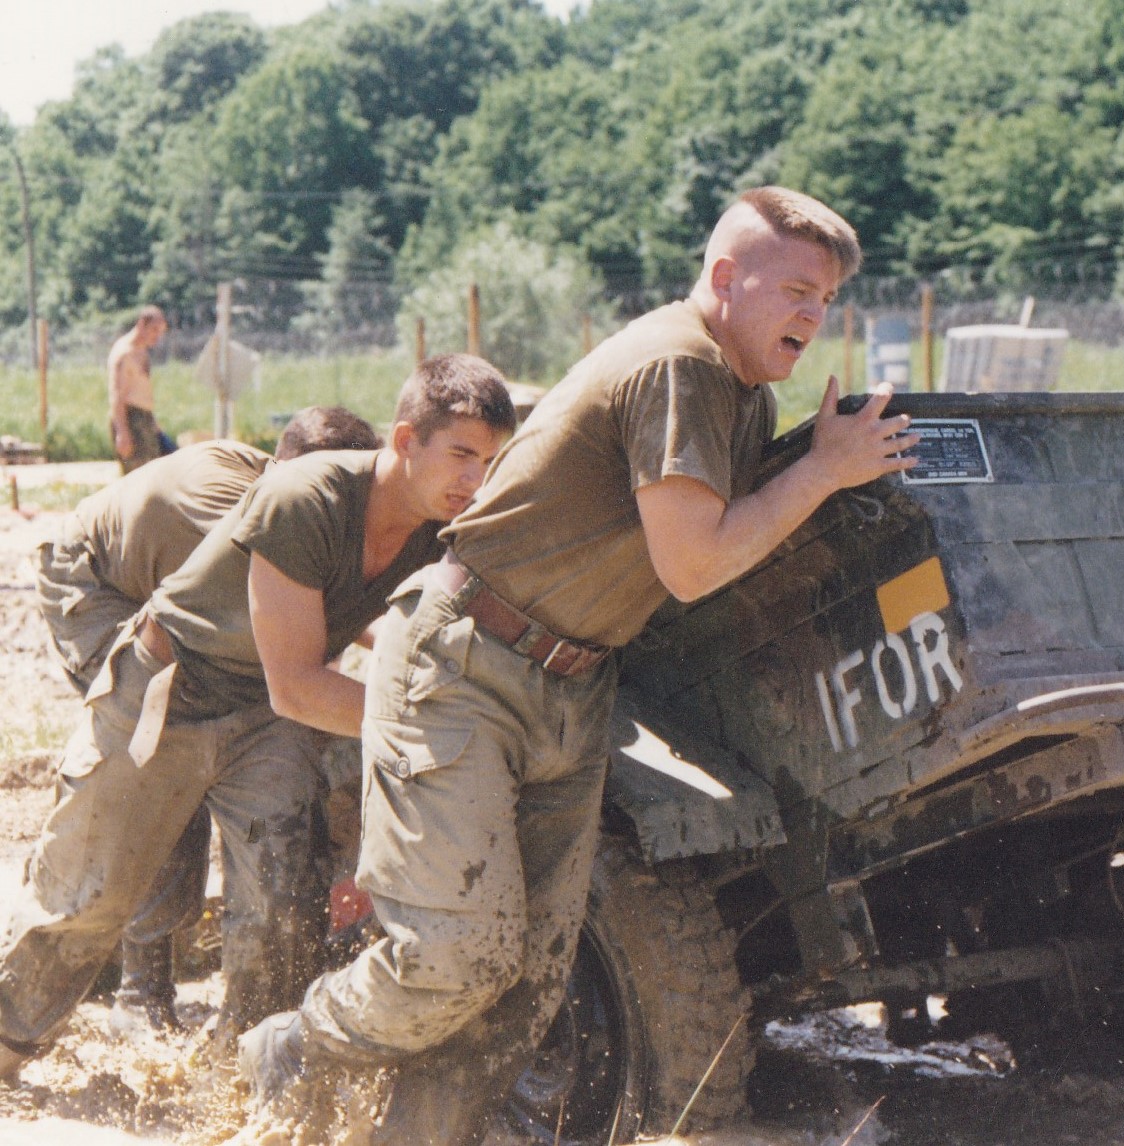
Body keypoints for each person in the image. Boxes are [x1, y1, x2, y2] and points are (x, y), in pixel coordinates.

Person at [238, 186, 917, 1144]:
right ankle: (296, 1044)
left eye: (827, 299)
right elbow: (694, 565)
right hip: (469, 661)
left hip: (572, 679)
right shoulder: (679, 362)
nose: (814, 315)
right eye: (796, 290)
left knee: (527, 982)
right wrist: (823, 469)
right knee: (457, 958)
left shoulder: (743, 393)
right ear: (726, 278)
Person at [0, 355, 514, 1080]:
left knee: (282, 903)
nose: (474, 479)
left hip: (264, 717)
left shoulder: (439, 525)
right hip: (172, 693)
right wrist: (442, 728)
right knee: (86, 901)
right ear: (405, 440)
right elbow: (299, 689)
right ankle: (9, 1043)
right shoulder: (303, 499)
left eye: (488, 461)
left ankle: (247, 1077)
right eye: (461, 454)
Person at [34, 406, 381, 1032]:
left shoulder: (294, 505)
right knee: (170, 761)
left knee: (262, 748)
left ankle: (246, 980)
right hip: (98, 584)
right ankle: (140, 988)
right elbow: (297, 642)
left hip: (175, 596)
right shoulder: (233, 514)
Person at [108, 306, 172, 473]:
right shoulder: (124, 353)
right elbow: (117, 395)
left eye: (161, 332)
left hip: (146, 419)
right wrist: (122, 432)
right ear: (142, 324)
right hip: (130, 421)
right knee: (139, 477)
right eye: (154, 330)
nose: (157, 336)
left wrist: (154, 425)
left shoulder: (142, 350)